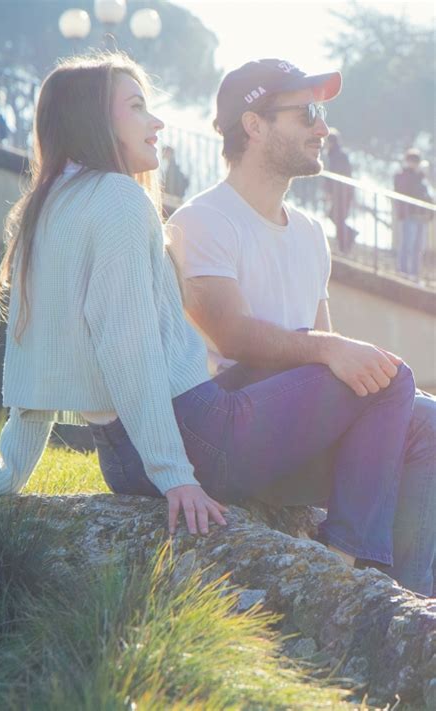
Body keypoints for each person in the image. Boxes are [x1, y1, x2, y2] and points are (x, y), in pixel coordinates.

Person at [0, 54, 417, 577]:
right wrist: (175, 475)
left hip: (121, 458)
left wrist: (3, 477)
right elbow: (126, 351)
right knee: (391, 380)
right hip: (193, 437)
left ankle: (388, 573)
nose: (157, 123)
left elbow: (33, 368)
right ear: (94, 119)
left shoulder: (46, 208)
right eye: (137, 108)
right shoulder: (118, 200)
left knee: (397, 403)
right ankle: (350, 568)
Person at [168, 58, 435, 596]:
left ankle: (409, 598)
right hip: (229, 428)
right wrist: (331, 351)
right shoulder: (201, 219)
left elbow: (332, 357)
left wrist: (336, 354)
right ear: (254, 125)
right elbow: (231, 336)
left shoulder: (312, 233)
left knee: (427, 422)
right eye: (308, 113)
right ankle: (342, 571)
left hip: (295, 429)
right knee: (390, 378)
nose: (323, 128)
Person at [394, 148, 433, 279]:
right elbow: (404, 190)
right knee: (407, 244)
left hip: (421, 217)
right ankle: (403, 270)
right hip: (409, 215)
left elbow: (428, 196)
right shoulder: (403, 175)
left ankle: (415, 273)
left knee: (418, 247)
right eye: (411, 161)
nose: (414, 164)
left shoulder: (422, 178)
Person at [325, 129, 357, 254]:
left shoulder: (337, 155)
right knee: (336, 217)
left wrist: (331, 190)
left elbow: (337, 174)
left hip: (342, 192)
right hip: (340, 192)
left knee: (337, 217)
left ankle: (344, 243)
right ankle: (347, 239)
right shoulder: (334, 154)